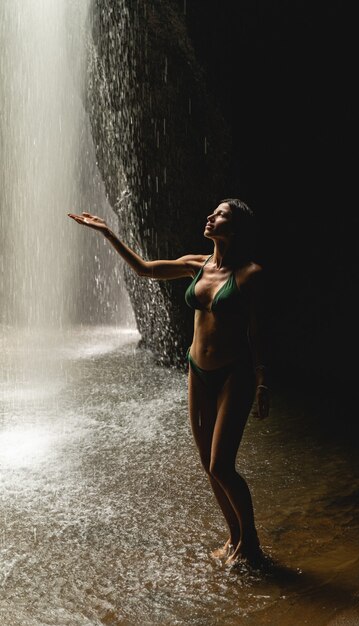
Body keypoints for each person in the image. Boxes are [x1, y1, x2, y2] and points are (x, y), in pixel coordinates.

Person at [68, 198, 270, 568]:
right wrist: (107, 232)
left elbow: (258, 332)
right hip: (197, 369)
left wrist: (261, 380)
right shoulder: (196, 264)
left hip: (233, 375)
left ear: (236, 227)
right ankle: (234, 536)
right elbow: (145, 270)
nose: (210, 216)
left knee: (222, 464)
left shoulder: (250, 274)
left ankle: (252, 545)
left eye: (220, 214)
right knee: (208, 465)